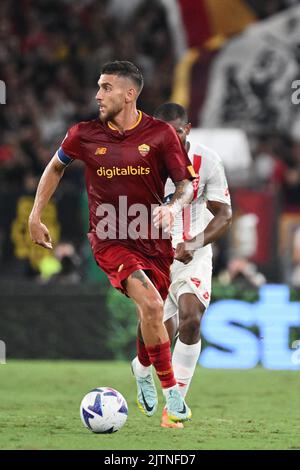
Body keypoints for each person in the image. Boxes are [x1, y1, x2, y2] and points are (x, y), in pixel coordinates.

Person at [28, 62, 195, 425]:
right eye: (98, 87)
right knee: (151, 304)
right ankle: (173, 395)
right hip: (110, 239)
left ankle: (140, 369)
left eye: (105, 88)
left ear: (129, 94)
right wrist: (35, 214)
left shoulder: (162, 134)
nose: (97, 95)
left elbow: (185, 185)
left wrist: (172, 206)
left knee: (150, 313)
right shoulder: (84, 134)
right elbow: (56, 167)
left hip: (154, 242)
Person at [133, 103, 232, 428]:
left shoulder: (207, 160)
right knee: (160, 326)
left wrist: (194, 243)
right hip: (154, 250)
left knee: (191, 319)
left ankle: (175, 407)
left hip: (194, 250)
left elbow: (224, 214)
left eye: (174, 132)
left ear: (186, 129)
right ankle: (142, 367)